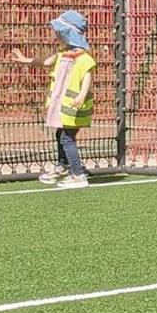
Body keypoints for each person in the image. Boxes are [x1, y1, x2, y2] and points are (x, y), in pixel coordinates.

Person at [13, 10, 96, 189]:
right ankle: (64, 166)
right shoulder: (63, 54)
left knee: (67, 138)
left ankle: (78, 175)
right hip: (63, 105)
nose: (56, 35)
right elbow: (45, 62)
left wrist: (82, 95)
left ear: (68, 33)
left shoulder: (82, 57)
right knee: (61, 134)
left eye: (59, 32)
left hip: (74, 107)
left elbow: (88, 76)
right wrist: (25, 60)